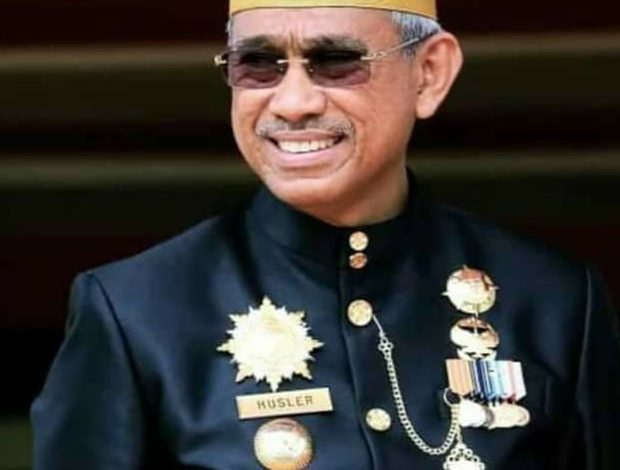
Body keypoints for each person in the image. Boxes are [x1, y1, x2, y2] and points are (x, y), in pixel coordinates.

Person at [31, 1, 620, 469]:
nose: (293, 102)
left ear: (429, 74)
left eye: (337, 61)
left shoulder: (552, 298)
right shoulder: (137, 312)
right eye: (257, 64)